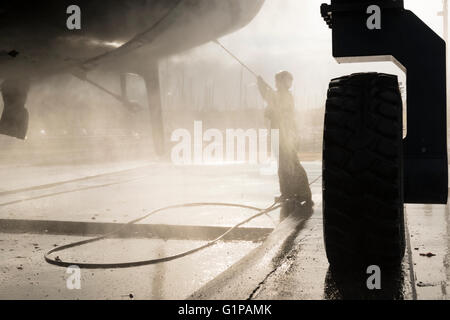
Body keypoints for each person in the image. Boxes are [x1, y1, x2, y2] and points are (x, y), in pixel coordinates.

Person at [257, 71, 313, 220]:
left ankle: (299, 193)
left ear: (282, 82)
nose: (276, 83)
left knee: (289, 163)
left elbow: (269, 99)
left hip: (284, 135)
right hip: (281, 134)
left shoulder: (283, 96)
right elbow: (270, 100)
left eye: (277, 81)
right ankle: (290, 193)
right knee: (284, 164)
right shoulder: (282, 95)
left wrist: (261, 84)